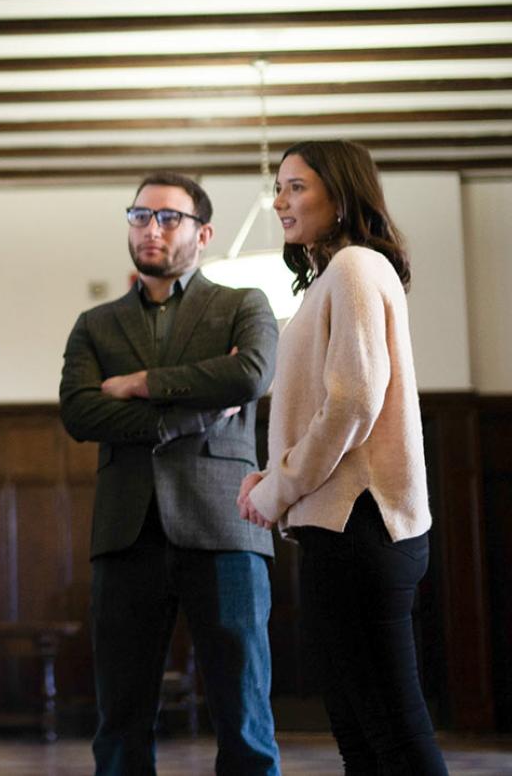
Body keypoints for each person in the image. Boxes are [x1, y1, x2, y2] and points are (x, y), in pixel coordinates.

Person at [59, 172, 281, 776]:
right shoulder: (95, 324)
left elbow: (252, 374)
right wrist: (186, 415)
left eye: (167, 217)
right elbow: (79, 412)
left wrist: (141, 385)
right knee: (121, 721)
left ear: (203, 232)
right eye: (139, 215)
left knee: (244, 715)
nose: (149, 228)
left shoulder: (244, 305)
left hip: (225, 523)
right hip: (126, 531)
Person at [239, 140, 446, 775]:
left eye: (295, 186)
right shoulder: (336, 274)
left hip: (362, 525)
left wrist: (277, 490)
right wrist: (277, 476)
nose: (280, 202)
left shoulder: (355, 266)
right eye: (279, 188)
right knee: (362, 738)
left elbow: (353, 402)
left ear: (341, 192)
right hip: (341, 526)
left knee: (393, 736)